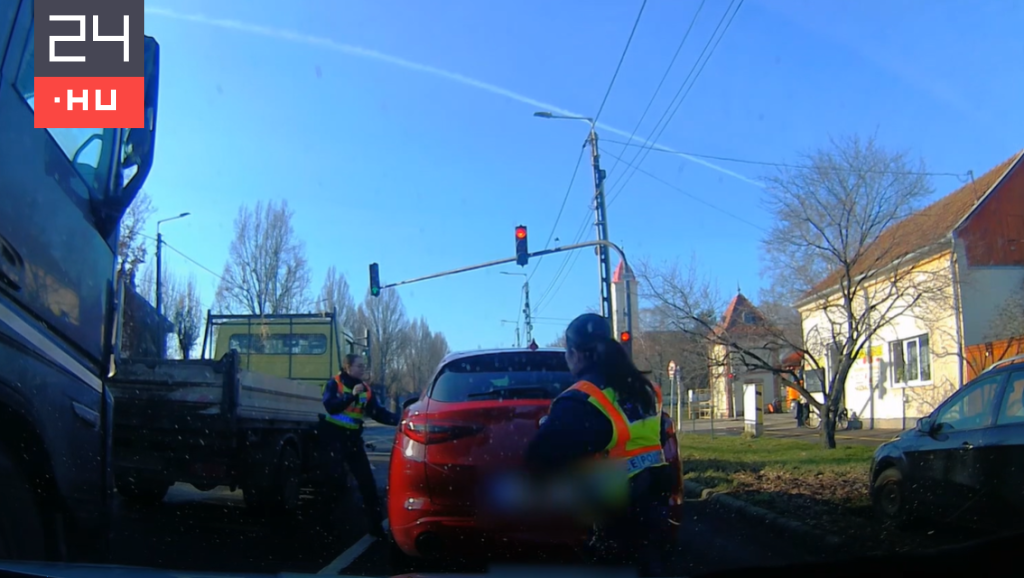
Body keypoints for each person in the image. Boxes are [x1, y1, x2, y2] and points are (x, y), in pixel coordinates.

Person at [525, 313, 672, 577]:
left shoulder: (581, 400)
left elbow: (539, 458)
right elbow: (653, 438)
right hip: (652, 505)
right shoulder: (646, 388)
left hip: (612, 516)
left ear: (575, 354)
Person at [320, 353, 400, 539]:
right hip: (333, 440)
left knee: (368, 484)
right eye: (359, 366)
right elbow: (330, 406)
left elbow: (378, 413)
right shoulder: (334, 384)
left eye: (364, 366)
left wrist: (400, 419)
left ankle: (376, 528)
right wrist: (351, 396)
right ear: (348, 367)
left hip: (353, 442)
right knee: (333, 484)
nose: (363, 369)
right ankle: (326, 527)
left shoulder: (366, 389)